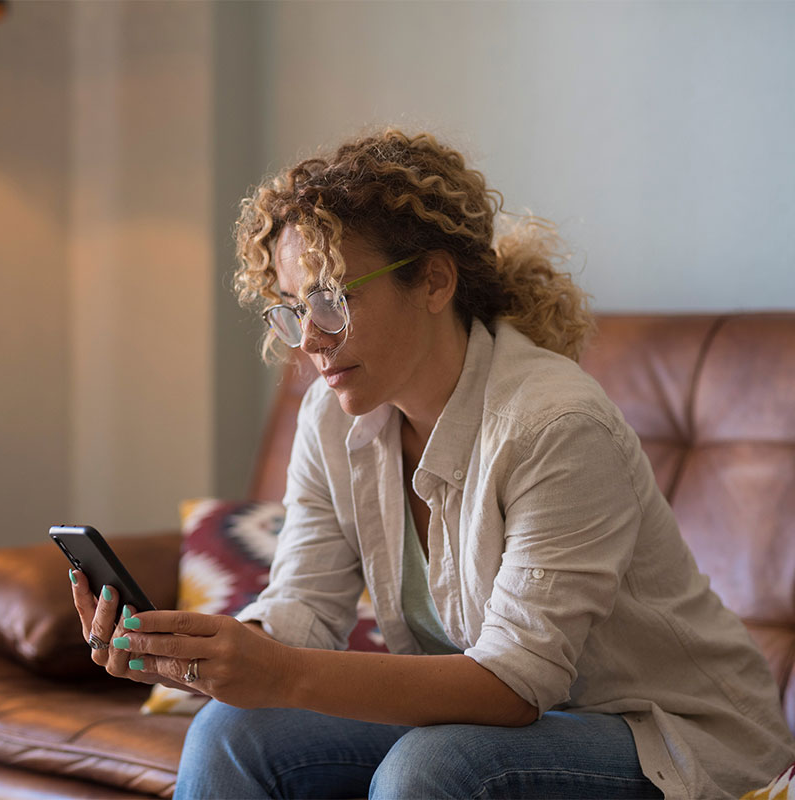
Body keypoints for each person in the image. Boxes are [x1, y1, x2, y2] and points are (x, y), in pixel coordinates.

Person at [70, 129, 794, 799]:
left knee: (433, 768)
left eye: (333, 300)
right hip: (506, 724)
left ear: (435, 283)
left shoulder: (557, 425)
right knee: (231, 734)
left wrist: (281, 674)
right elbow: (303, 612)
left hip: (663, 737)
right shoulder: (332, 415)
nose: (311, 341)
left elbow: (516, 684)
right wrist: (196, 656)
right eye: (292, 309)